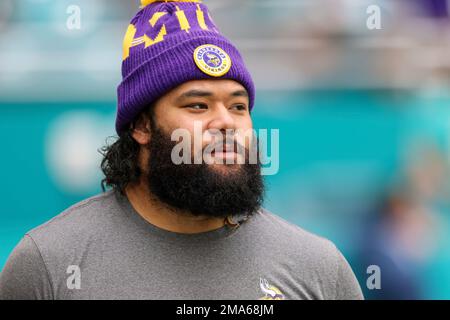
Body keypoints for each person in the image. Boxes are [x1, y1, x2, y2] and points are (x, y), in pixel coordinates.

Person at [0, 0, 363, 300]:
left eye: (238, 107)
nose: (226, 122)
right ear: (142, 126)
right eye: (197, 106)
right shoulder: (48, 264)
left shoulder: (318, 268)